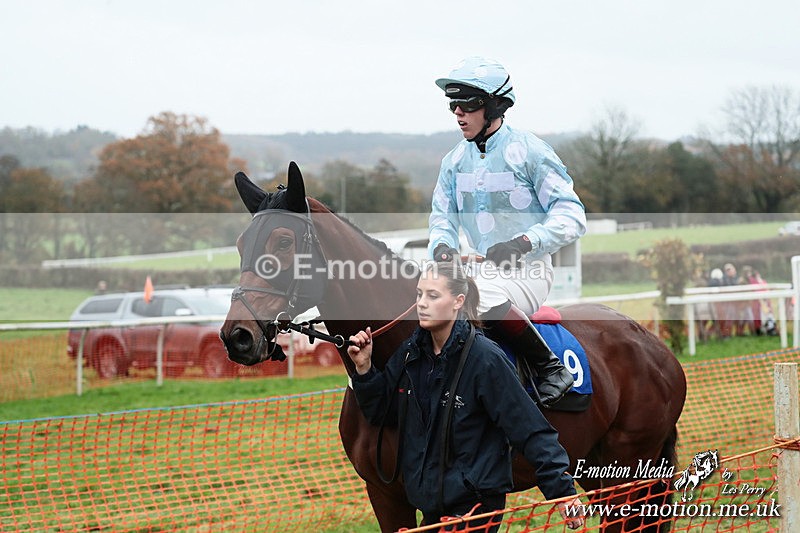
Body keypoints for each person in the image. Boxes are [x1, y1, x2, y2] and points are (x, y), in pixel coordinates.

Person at [348, 262, 584, 531]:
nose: (422, 304)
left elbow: (529, 429)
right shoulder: (410, 353)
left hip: (474, 509)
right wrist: (364, 369)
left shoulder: (485, 359)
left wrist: (561, 491)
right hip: (432, 505)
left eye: (433, 296)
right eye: (419, 294)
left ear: (458, 301)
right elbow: (381, 412)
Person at [428, 56, 587, 407]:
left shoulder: (532, 152)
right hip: (480, 269)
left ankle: (549, 369)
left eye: (467, 104)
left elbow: (572, 215)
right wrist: (442, 248)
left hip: (528, 270)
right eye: (454, 104)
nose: (458, 113)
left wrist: (524, 242)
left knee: (475, 295)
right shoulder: (453, 161)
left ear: (494, 105)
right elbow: (442, 218)